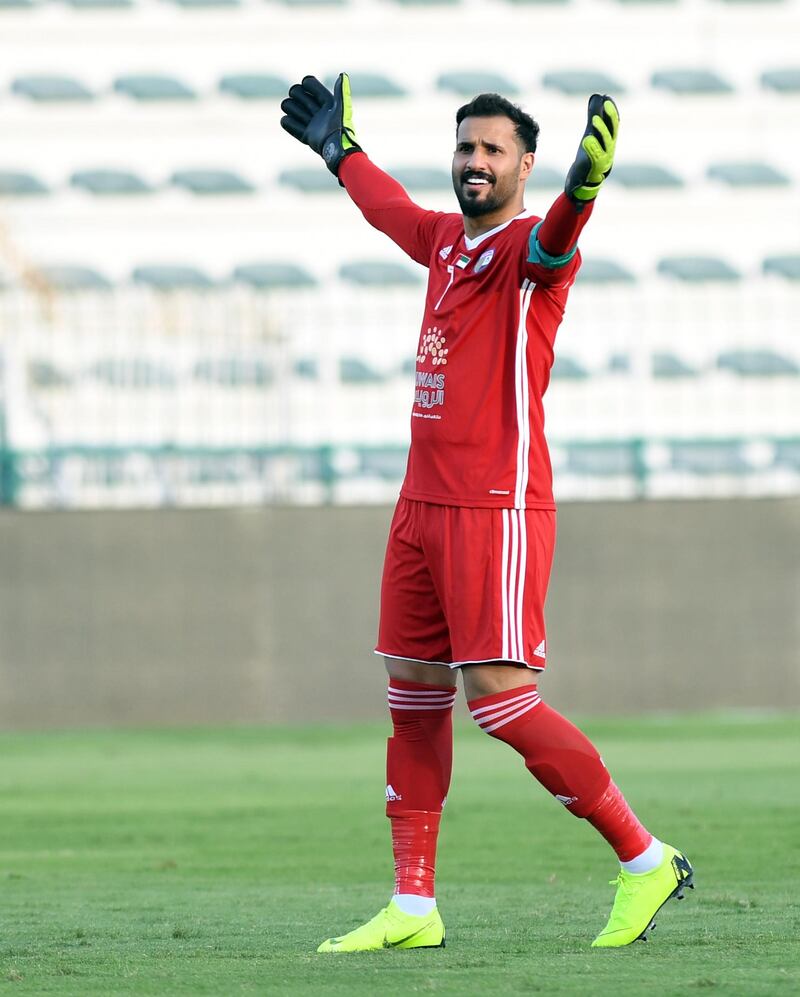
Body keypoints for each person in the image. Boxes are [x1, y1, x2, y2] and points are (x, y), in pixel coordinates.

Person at [280, 74, 694, 953]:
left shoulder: (526, 257)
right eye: (465, 146)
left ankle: (645, 857)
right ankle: (413, 905)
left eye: (492, 150)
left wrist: (583, 188)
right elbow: (388, 209)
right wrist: (339, 151)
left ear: (524, 165)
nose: (475, 161)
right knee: (412, 696)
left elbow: (556, 240)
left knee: (500, 701)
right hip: (419, 505)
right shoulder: (442, 243)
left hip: (493, 507)